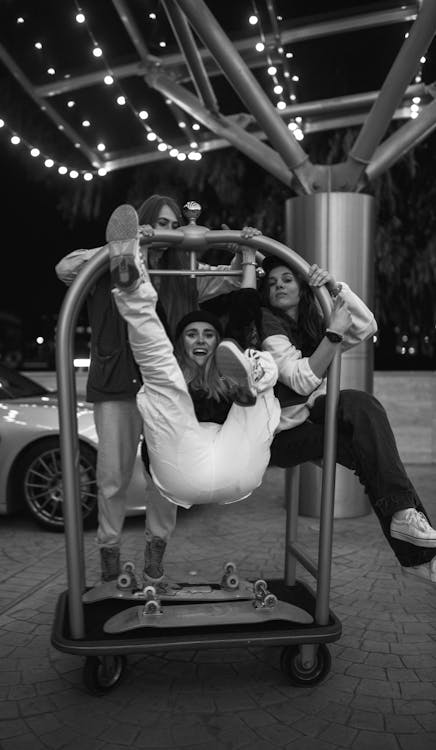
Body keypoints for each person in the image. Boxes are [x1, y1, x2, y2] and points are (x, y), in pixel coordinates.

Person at [55, 195, 246, 584]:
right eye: (161, 223)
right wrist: (124, 245)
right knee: (112, 476)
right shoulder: (111, 265)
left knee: (167, 474)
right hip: (117, 385)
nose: (168, 233)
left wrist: (241, 245)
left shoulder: (186, 271)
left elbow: (235, 275)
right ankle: (109, 561)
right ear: (143, 224)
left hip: (166, 388)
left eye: (175, 225)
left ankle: (154, 559)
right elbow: (65, 268)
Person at [258, 256, 436, 585]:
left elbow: (367, 326)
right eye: (271, 282)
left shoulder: (314, 320)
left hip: (309, 415)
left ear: (302, 287)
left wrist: (333, 287)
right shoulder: (269, 326)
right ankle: (416, 554)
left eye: (287, 279)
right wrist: (334, 335)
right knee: (372, 456)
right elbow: (300, 379)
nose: (279, 285)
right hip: (280, 435)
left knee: (362, 405)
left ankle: (407, 525)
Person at [107, 203, 281, 514]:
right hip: (183, 463)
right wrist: (141, 249)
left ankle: (250, 381)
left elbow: (244, 313)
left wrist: (247, 253)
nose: (200, 340)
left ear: (216, 343)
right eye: (191, 334)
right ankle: (132, 279)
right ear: (181, 342)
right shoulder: (172, 371)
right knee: (160, 368)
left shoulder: (224, 364)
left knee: (248, 355)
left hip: (235, 459)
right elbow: (158, 336)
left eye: (208, 334)